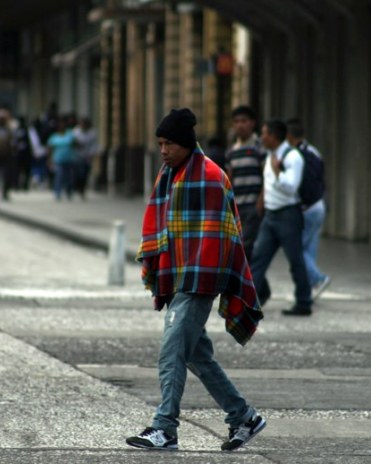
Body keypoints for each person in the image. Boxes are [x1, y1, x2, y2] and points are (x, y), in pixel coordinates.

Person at [127, 108, 265, 452]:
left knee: (172, 351)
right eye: (160, 143)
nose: (163, 150)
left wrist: (201, 275)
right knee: (195, 356)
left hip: (201, 277)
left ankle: (164, 428)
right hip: (179, 276)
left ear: (186, 144)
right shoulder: (169, 175)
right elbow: (165, 226)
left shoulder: (211, 176)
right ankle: (244, 417)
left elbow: (222, 235)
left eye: (169, 144)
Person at [250, 119, 313, 316]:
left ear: (274, 136)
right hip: (270, 215)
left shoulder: (292, 157)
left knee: (295, 260)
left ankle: (304, 302)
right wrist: (262, 201)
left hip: (288, 215)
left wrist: (278, 173)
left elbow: (291, 187)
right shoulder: (271, 155)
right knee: (258, 258)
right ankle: (248, 303)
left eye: (264, 134)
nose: (262, 137)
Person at [285, 118, 331, 299]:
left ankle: (318, 278)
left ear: (289, 136)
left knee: (297, 250)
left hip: (306, 208)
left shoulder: (294, 155)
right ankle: (311, 286)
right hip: (319, 205)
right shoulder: (314, 151)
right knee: (309, 249)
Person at [225, 105, 265, 262]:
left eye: (244, 121)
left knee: (246, 246)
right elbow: (229, 179)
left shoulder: (259, 147)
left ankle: (248, 275)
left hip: (253, 205)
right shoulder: (231, 152)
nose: (240, 125)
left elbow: (266, 176)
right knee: (239, 245)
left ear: (252, 123)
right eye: (236, 121)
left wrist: (260, 202)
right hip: (237, 206)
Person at [47, 117, 76, 200]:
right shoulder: (54, 137)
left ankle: (69, 192)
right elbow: (50, 149)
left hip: (69, 159)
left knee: (69, 177)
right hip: (58, 160)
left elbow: (75, 145)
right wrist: (49, 160)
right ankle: (57, 192)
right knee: (59, 176)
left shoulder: (70, 134)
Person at [73, 117, 98, 199]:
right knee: (78, 173)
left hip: (88, 156)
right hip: (77, 155)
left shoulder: (92, 132)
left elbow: (94, 145)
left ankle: (82, 189)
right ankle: (78, 187)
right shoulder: (76, 131)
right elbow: (73, 142)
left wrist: (92, 154)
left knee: (85, 173)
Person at [13, 116, 32, 191]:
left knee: (26, 170)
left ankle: (25, 185)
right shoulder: (16, 130)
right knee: (17, 170)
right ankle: (17, 184)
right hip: (18, 153)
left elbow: (33, 141)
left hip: (26, 153)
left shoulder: (28, 130)